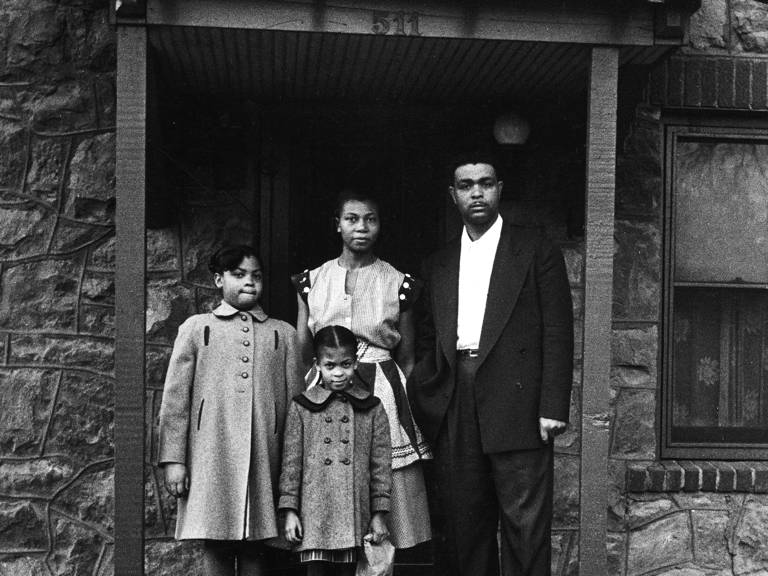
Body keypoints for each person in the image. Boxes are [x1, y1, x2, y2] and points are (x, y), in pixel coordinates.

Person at [410, 153, 574, 576]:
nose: (476, 192)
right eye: (466, 186)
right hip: (456, 400)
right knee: (465, 527)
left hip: (517, 400)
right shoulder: (439, 262)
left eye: (485, 183)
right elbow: (428, 335)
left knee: (525, 527)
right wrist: (430, 393)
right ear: (453, 195)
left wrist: (553, 405)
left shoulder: (536, 249)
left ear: (499, 188)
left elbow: (558, 328)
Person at [291, 189, 432, 550]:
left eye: (370, 219)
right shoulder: (311, 281)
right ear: (337, 225)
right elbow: (303, 349)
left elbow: (408, 355)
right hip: (325, 385)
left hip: (381, 386)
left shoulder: (398, 282)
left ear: (380, 225)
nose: (361, 227)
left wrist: (406, 405)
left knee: (385, 480)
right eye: (352, 219)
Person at [158, 245, 302, 576]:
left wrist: (293, 473)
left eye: (256, 276)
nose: (249, 282)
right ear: (219, 280)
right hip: (212, 454)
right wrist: (174, 461)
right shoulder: (196, 328)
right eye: (238, 275)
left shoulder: (284, 334)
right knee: (216, 542)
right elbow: (176, 401)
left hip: (265, 456)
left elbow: (296, 410)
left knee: (257, 545)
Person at [279, 325, 392, 576]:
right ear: (317, 364)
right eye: (330, 366)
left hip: (355, 516)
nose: (339, 373)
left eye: (346, 364)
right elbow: (290, 465)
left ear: (356, 362)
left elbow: (381, 466)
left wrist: (379, 514)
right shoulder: (302, 407)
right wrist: (289, 511)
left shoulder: (372, 408)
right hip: (314, 517)